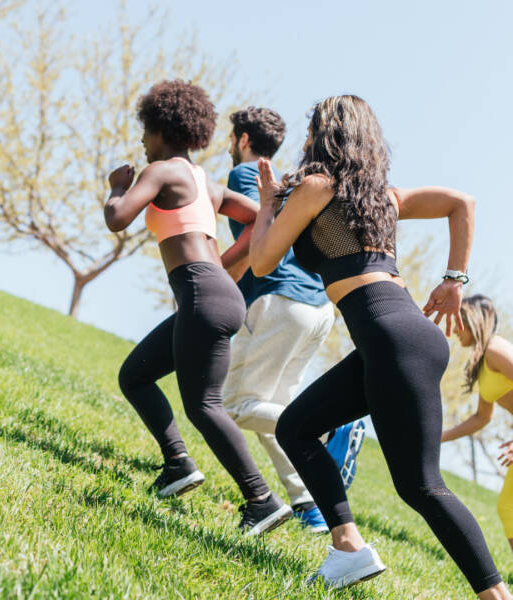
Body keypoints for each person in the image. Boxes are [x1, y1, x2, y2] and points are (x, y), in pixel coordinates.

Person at [249, 95, 509, 598]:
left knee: (421, 487)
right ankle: (348, 549)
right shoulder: (383, 197)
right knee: (296, 427)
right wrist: (453, 278)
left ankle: (496, 595)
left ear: (325, 134)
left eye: (311, 130)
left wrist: (265, 206)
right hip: (396, 337)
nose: (304, 140)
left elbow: (262, 262)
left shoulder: (317, 185)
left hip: (393, 339)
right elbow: (463, 202)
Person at [105, 80, 292, 536]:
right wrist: (225, 265)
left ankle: (261, 500)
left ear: (162, 129)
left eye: (144, 133)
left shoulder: (162, 171)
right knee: (135, 375)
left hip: (202, 295)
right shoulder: (203, 182)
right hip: (216, 295)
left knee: (205, 406)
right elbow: (259, 217)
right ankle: (177, 465)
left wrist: (116, 187)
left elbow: (117, 219)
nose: (142, 143)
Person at [221, 107, 366, 534]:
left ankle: (329, 432)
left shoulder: (247, 175)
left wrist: (214, 269)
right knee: (274, 408)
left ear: (242, 140)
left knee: (233, 406)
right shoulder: (288, 182)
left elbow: (254, 235)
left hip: (280, 302)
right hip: (317, 308)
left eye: (232, 138)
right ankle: (310, 504)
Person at [442, 295, 513, 550]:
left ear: (475, 319)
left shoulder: (496, 349)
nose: (456, 329)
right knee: (509, 508)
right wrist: (438, 438)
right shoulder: (484, 359)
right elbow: (482, 418)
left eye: (459, 319)